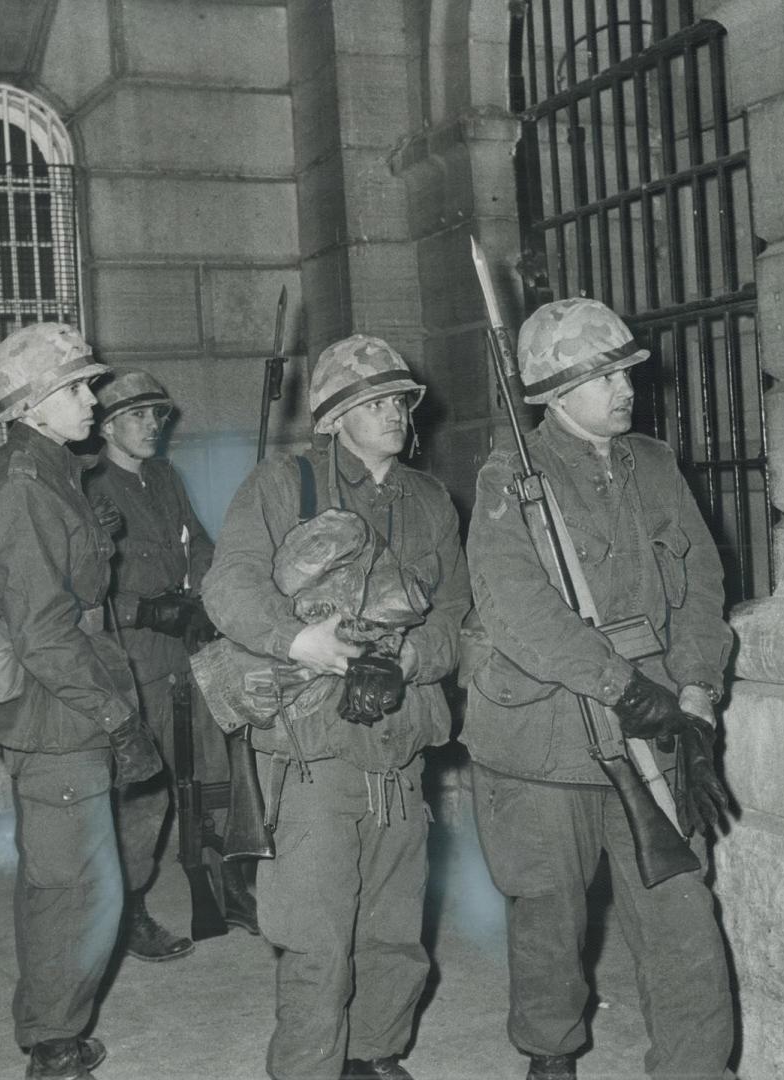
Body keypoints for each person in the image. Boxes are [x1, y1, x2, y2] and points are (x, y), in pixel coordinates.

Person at [463, 297, 734, 1079]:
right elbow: (516, 609)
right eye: (603, 376)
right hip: (547, 734)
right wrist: (620, 686)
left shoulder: (652, 464)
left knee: (683, 917)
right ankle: (550, 1054)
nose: (625, 388)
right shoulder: (510, 479)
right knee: (549, 913)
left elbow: (698, 588)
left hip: (656, 722)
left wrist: (692, 694)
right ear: (551, 392)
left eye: (624, 372)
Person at [202, 334, 471, 1080]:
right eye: (371, 401)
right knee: (316, 934)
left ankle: (374, 1055)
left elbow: (456, 614)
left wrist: (414, 657)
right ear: (331, 418)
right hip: (313, 748)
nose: (390, 411)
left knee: (393, 928)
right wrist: (298, 641)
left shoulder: (428, 501)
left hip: (403, 743)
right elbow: (228, 586)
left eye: (397, 400)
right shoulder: (283, 485)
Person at [0, 322, 163, 1080]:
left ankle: (53, 1024)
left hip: (77, 690)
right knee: (75, 891)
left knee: (75, 881)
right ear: (35, 404)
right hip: (62, 710)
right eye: (78, 387)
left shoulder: (49, 472)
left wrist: (95, 537)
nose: (93, 396)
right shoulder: (23, 484)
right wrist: (117, 719)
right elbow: (45, 634)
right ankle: (52, 1043)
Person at [86, 369, 259, 961]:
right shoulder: (87, 488)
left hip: (190, 653)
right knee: (144, 791)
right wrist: (141, 610)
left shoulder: (164, 477)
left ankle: (224, 887)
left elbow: (201, 544)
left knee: (216, 777)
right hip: (132, 662)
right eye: (138, 416)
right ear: (106, 425)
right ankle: (128, 910)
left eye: (158, 415)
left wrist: (209, 594)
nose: (153, 425)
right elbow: (77, 591)